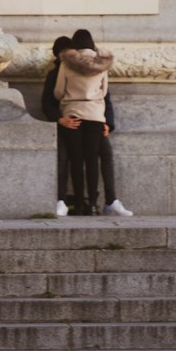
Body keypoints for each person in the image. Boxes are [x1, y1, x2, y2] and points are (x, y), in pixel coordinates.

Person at [42, 32, 132, 218]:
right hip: (93, 116)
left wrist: (108, 122)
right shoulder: (101, 64)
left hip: (75, 115)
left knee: (81, 160)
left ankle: (101, 202)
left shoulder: (65, 66)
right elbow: (104, 93)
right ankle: (87, 203)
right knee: (86, 160)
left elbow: (58, 93)